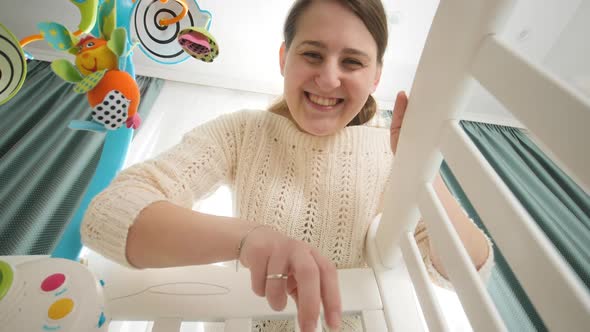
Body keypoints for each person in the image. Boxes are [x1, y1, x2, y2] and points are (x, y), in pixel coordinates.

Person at [81, 0, 494, 331]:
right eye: (313, 54)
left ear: (376, 78)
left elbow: (467, 274)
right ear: (284, 58)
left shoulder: (390, 153)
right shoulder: (242, 132)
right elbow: (107, 216)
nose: (329, 79)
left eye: (352, 62)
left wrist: (419, 166)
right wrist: (249, 238)